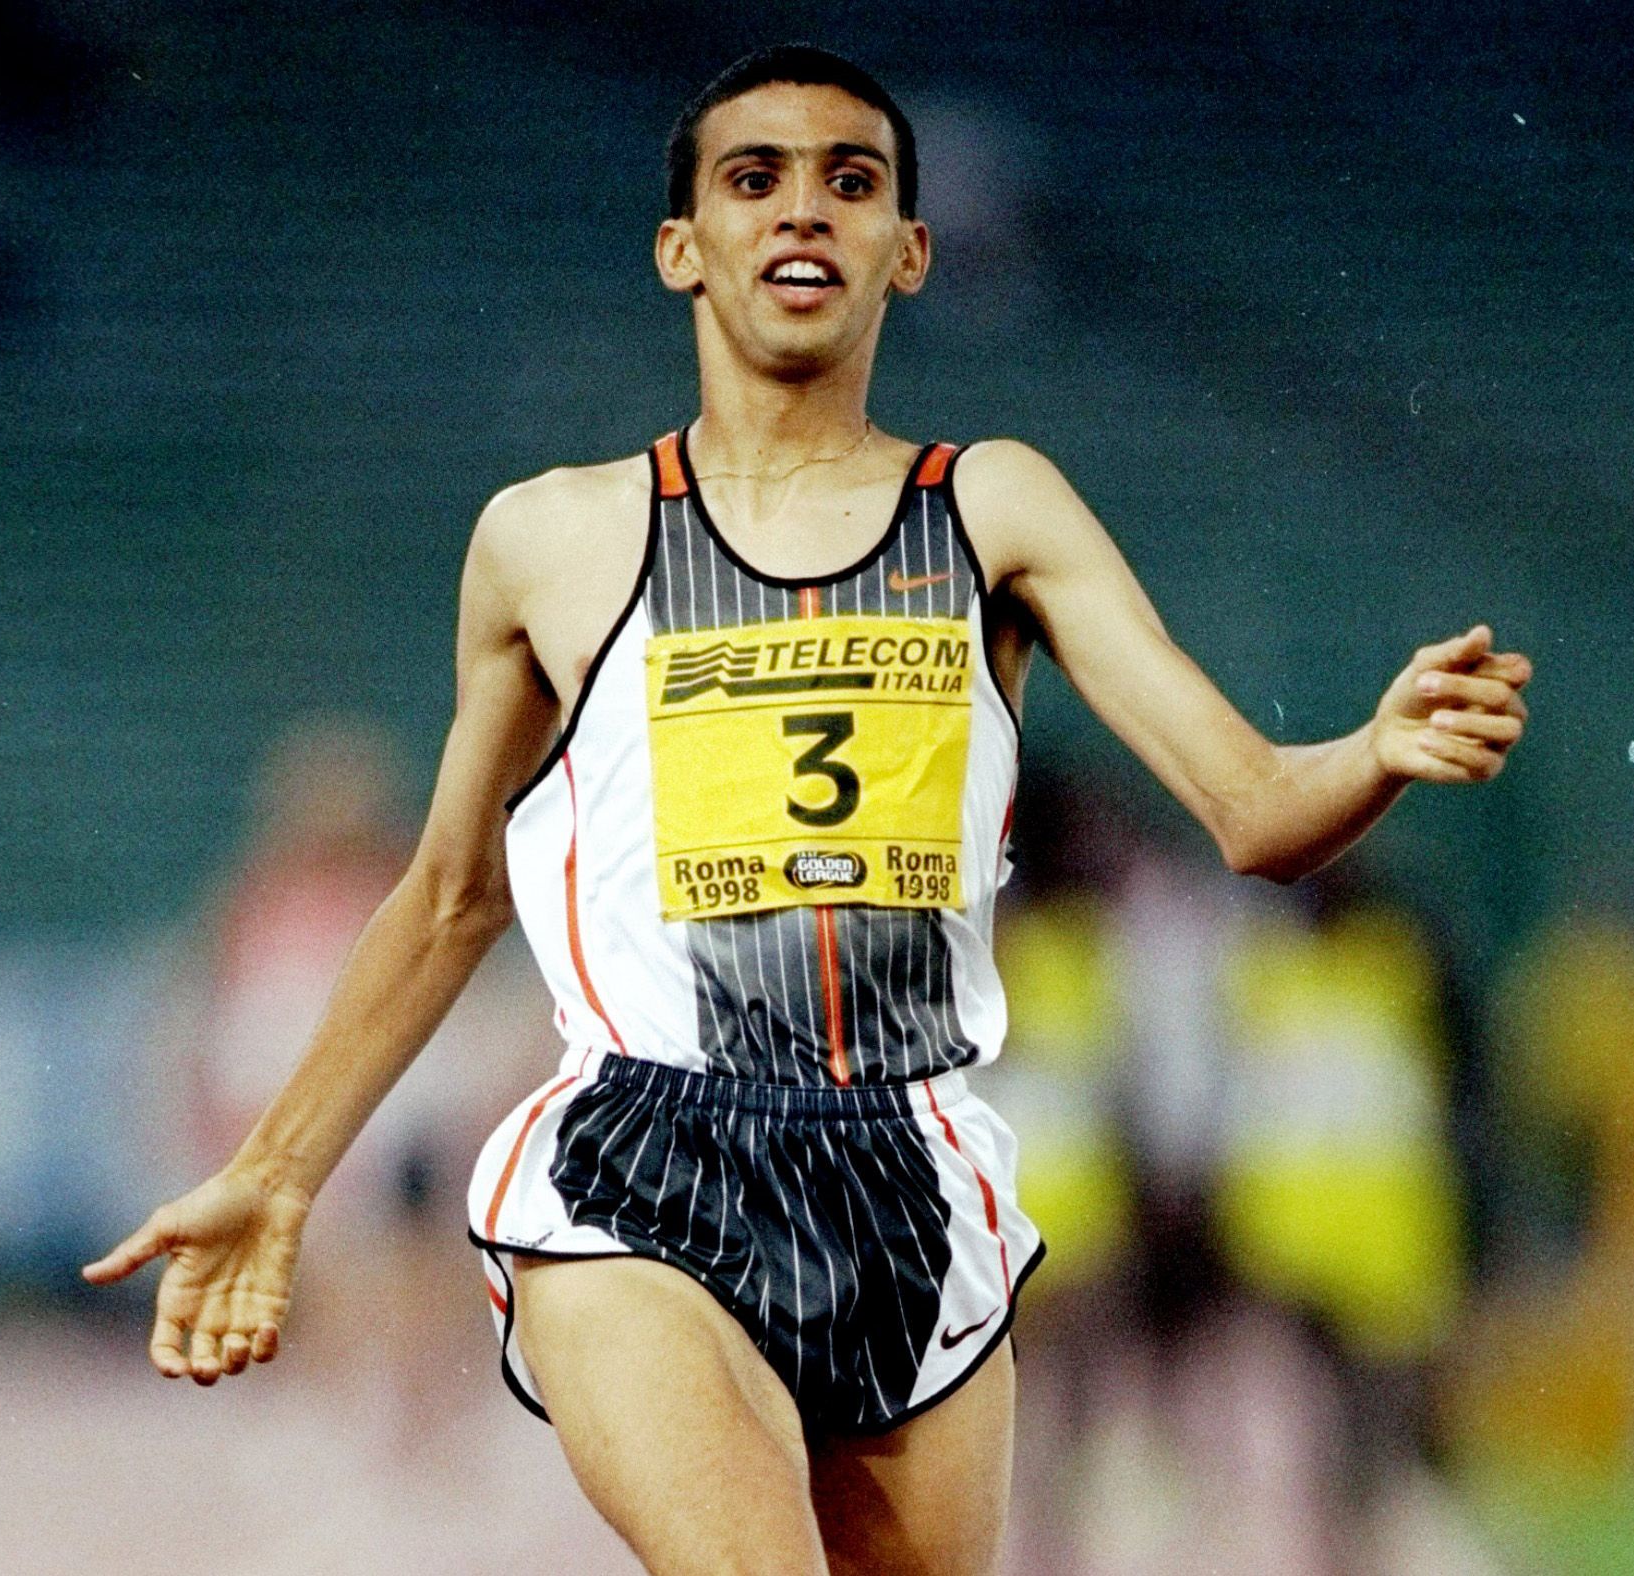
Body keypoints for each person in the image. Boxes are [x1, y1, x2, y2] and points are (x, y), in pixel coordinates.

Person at [81, 44, 1533, 1576]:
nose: (803, 212)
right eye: (753, 178)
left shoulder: (996, 511)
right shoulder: (551, 541)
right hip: (641, 1163)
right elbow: (452, 895)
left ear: (908, 250)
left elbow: (1252, 813)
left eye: (851, 181)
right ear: (681, 247)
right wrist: (277, 1174)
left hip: (911, 1181)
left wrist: (1375, 749)